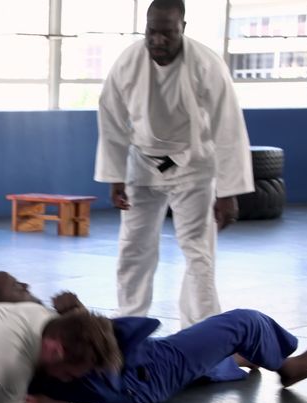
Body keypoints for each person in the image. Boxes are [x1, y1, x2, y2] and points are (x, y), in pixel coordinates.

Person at [0, 221, 307, 403]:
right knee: (242, 322)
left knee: (204, 361)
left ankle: (233, 363)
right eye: (18, 290)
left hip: (143, 369)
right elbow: (94, 367)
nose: (27, 289)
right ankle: (287, 365)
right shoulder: (24, 336)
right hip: (145, 371)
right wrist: (74, 313)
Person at [95, 0, 253, 329]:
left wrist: (227, 192)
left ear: (183, 27)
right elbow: (110, 118)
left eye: (168, 33)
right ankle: (129, 324)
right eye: (152, 32)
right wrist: (114, 177)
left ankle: (202, 331)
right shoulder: (128, 62)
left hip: (194, 165)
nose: (158, 40)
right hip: (143, 163)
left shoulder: (207, 64)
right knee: (133, 247)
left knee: (199, 252)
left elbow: (228, 128)